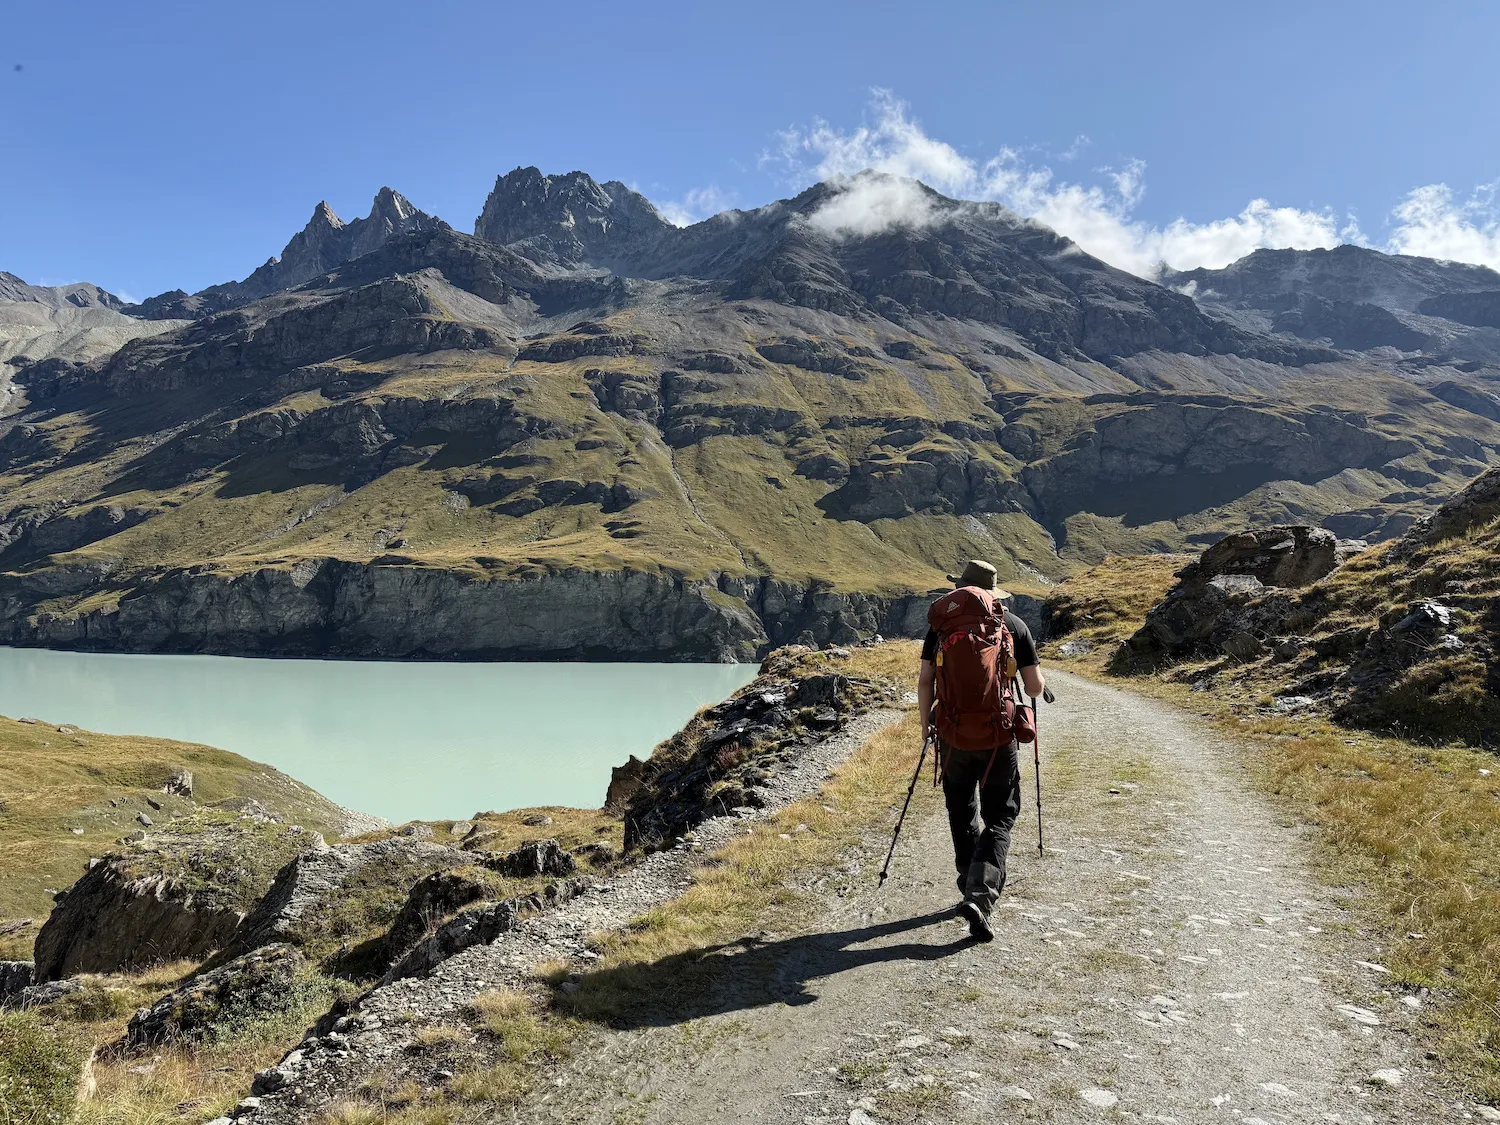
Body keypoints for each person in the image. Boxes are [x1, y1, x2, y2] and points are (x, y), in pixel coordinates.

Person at [917, 559, 1045, 942]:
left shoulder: (941, 626)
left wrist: (926, 725)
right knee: (1001, 816)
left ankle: (968, 880)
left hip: (953, 734)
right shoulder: (1013, 625)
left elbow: (926, 680)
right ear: (994, 591)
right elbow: (1035, 688)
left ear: (961, 588)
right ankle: (980, 893)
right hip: (998, 738)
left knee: (960, 808)